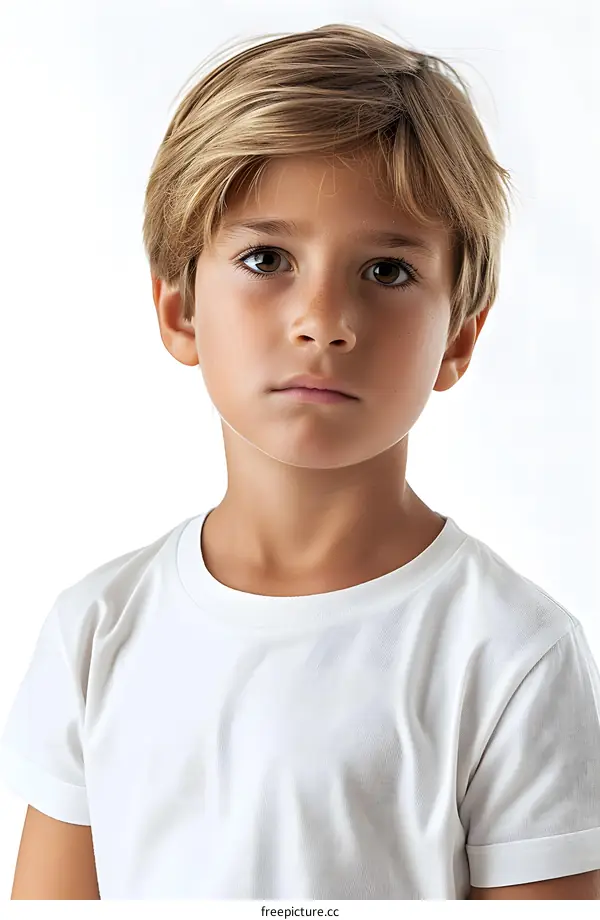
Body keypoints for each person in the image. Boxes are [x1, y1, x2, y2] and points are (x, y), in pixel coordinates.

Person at [1, 22, 600, 902]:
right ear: (180, 310)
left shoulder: (511, 657)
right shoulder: (95, 633)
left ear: (458, 337)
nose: (324, 320)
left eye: (388, 271)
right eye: (266, 259)